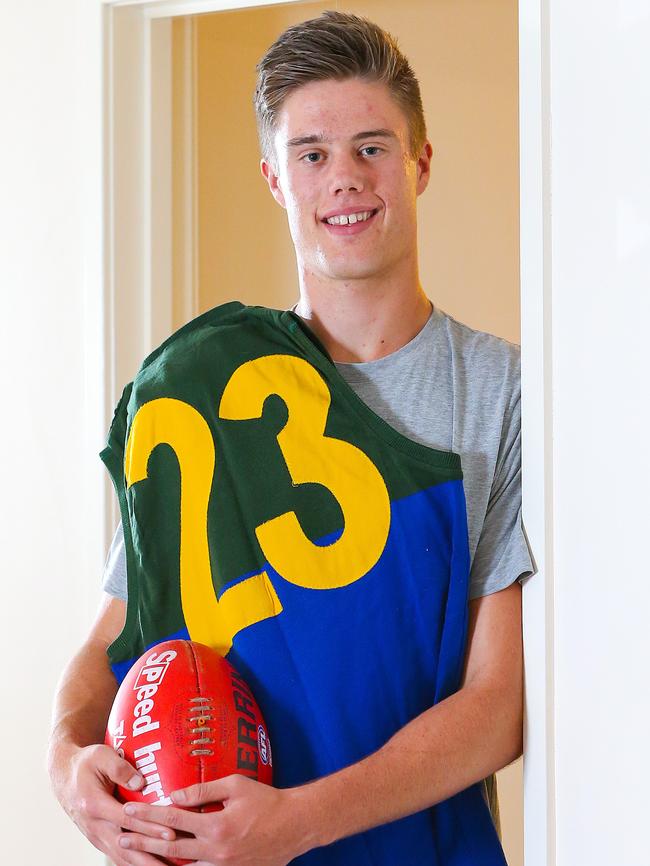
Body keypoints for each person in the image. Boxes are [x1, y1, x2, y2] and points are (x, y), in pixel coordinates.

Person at [48, 11, 534, 866]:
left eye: (372, 146)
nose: (343, 178)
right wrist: (66, 764)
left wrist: (294, 823)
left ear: (420, 163)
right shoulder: (196, 392)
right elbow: (110, 642)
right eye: (312, 154)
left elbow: (498, 706)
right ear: (276, 178)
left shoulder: (505, 391)